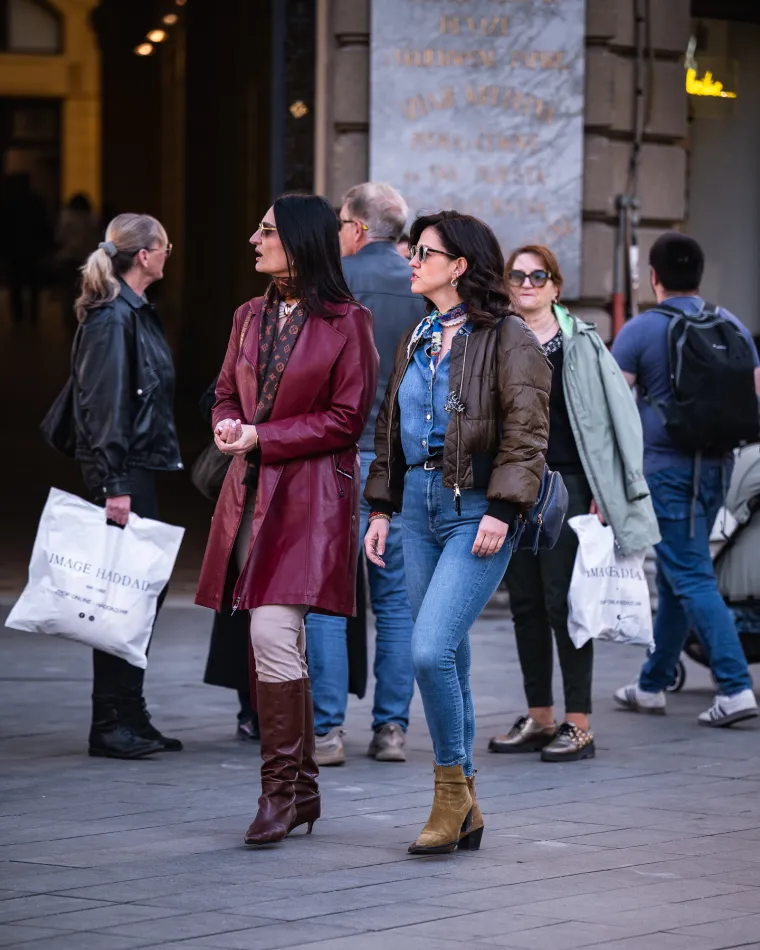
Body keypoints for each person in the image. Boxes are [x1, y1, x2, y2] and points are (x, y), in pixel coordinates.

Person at [364, 211, 551, 855]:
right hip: (418, 508)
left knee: (428, 650)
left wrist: (502, 508)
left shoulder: (509, 336)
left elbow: (528, 432)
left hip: (475, 509)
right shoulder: (418, 335)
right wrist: (382, 508)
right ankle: (467, 800)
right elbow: (389, 427)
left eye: (425, 253)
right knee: (452, 654)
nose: (412, 262)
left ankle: (448, 793)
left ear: (460, 266)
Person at [195, 194, 379, 846]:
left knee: (271, 632)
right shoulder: (248, 315)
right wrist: (226, 422)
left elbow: (347, 419)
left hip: (310, 501)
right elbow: (224, 391)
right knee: (279, 641)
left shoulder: (349, 321)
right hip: (250, 497)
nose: (254, 239)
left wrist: (262, 436)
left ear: (300, 242)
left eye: (267, 230)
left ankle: (279, 792)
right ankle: (300, 792)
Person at [488, 246, 660, 762]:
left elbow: (619, 417)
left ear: (555, 286)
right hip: (513, 485)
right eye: (518, 275)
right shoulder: (497, 339)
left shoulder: (582, 343)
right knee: (525, 604)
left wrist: (612, 489)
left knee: (565, 603)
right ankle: (540, 717)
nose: (527, 283)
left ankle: (578, 722)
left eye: (538, 275)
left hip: (570, 486)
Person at [612, 232, 760, 726]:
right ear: (699, 275)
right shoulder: (731, 323)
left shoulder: (640, 330)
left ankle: (735, 688)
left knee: (691, 574)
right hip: (718, 467)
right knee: (679, 574)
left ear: (653, 277)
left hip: (666, 471)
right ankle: (652, 685)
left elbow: (613, 407)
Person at [304, 182, 424, 766]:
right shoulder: (425, 287)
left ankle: (327, 732)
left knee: (328, 597)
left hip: (336, 455)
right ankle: (391, 729)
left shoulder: (328, 284)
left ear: (354, 227)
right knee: (395, 601)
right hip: (401, 461)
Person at [72, 213, 183, 759]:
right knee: (119, 596)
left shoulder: (132, 312)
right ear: (144, 256)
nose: (168, 255)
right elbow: (104, 407)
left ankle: (130, 713)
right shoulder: (113, 319)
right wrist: (114, 483)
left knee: (140, 594)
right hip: (124, 474)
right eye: (165, 247)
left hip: (136, 469)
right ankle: (109, 721)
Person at [54, 193, 101, 336]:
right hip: (86, 260)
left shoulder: (66, 217)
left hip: (68, 259)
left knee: (69, 294)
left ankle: (69, 324)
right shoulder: (92, 219)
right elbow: (97, 239)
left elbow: (59, 237)